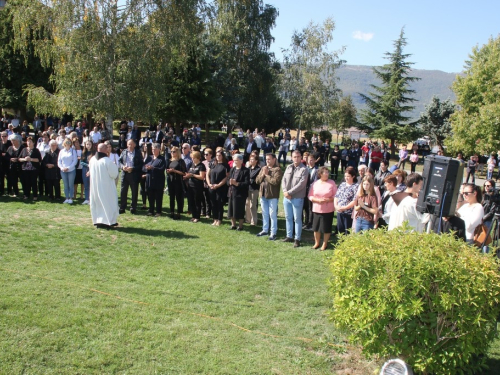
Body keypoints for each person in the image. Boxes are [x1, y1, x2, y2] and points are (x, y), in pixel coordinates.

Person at [89, 143, 119, 229]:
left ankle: (98, 220)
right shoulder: (107, 161)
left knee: (97, 203)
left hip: (95, 187)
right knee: (108, 202)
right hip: (106, 187)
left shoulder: (92, 160)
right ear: (106, 150)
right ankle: (109, 221)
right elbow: (114, 174)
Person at [282, 150, 308, 247]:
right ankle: (289, 236)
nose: (296, 158)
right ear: (292, 157)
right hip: (286, 197)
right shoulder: (288, 167)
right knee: (288, 217)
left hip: (297, 197)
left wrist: (289, 192)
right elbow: (283, 180)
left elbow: (301, 184)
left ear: (301, 157)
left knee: (297, 219)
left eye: (298, 157)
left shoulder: (304, 169)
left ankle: (297, 239)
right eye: (294, 157)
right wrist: (285, 192)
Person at [308, 167, 337, 250]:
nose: (327, 174)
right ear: (320, 174)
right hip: (317, 208)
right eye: (325, 172)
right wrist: (317, 200)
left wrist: (328, 199)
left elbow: (336, 195)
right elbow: (310, 195)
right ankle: (316, 243)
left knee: (326, 227)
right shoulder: (315, 183)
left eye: (328, 172)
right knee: (316, 227)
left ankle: (325, 244)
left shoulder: (332, 183)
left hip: (328, 209)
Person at [255, 153, 283, 240]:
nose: (267, 161)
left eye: (269, 159)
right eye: (266, 159)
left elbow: (275, 182)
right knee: (264, 213)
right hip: (263, 195)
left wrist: (266, 175)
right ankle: (265, 229)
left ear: (274, 159)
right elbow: (257, 180)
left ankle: (273, 232)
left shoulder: (277, 170)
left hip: (272, 196)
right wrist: (263, 173)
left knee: (272, 214)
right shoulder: (264, 169)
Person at [119, 139, 143, 214]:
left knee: (134, 192)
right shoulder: (124, 152)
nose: (130, 146)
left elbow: (141, 164)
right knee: (123, 191)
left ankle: (133, 207)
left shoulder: (138, 153)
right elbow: (119, 161)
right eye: (128, 144)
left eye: (131, 144)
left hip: (134, 174)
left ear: (134, 145)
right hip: (125, 174)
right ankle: (122, 207)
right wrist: (123, 167)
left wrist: (133, 168)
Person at [227, 153, 250, 230]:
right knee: (231, 209)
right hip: (231, 192)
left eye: (236, 160)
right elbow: (228, 180)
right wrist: (230, 182)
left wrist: (237, 183)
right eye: (234, 160)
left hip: (240, 193)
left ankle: (240, 226)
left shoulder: (245, 170)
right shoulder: (232, 169)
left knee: (239, 209)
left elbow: (247, 183)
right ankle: (233, 225)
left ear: (241, 160)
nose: (235, 162)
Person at [206, 150, 229, 226]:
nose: (218, 157)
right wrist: (209, 184)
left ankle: (219, 219)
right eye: (217, 155)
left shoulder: (225, 166)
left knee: (219, 203)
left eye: (220, 155)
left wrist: (218, 185)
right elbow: (207, 174)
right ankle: (214, 219)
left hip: (220, 187)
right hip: (211, 187)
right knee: (213, 203)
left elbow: (226, 177)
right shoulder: (212, 164)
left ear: (222, 156)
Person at [334, 167, 359, 235]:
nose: (346, 178)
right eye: (345, 176)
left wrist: (345, 208)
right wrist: (336, 206)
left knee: (347, 232)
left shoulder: (356, 186)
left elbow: (354, 200)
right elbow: (336, 196)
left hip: (348, 213)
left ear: (353, 176)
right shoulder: (342, 184)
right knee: (340, 231)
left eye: (348, 176)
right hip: (339, 211)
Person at [143, 143, 166, 217]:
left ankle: (158, 211)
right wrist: (146, 168)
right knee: (150, 196)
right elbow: (143, 167)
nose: (153, 150)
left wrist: (152, 168)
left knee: (158, 196)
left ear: (159, 149)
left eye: (155, 149)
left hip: (158, 180)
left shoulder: (161, 159)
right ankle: (151, 210)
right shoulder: (149, 158)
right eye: (152, 149)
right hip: (149, 180)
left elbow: (162, 169)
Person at [183, 151, 206, 222]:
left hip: (197, 186)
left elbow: (202, 177)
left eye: (194, 158)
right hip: (190, 185)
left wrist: (192, 175)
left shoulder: (201, 166)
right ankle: (193, 216)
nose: (192, 159)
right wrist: (187, 176)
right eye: (192, 157)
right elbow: (189, 173)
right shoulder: (192, 165)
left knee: (197, 202)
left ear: (198, 158)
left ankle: (197, 217)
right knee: (191, 201)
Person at [166, 146, 187, 220]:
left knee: (178, 197)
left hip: (178, 181)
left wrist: (174, 171)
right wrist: (168, 171)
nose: (172, 153)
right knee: (171, 197)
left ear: (177, 152)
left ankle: (178, 212)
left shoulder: (181, 161)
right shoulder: (170, 160)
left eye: (174, 151)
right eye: (171, 151)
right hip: (171, 180)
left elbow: (184, 173)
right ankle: (172, 212)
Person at [57, 138, 78, 204]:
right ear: (64, 143)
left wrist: (68, 168)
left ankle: (71, 198)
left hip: (71, 170)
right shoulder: (61, 151)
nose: (68, 143)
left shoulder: (73, 151)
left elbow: (75, 161)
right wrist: (62, 168)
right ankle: (66, 198)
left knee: (70, 184)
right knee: (65, 185)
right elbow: (59, 161)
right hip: (63, 171)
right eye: (66, 142)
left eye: (69, 142)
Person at [303, 154, 319, 231]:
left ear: (315, 160)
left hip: (312, 191)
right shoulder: (305, 168)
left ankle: (311, 223)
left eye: (312, 160)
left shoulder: (317, 170)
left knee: (310, 208)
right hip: (304, 191)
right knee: (305, 207)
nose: (310, 161)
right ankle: (306, 222)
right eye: (309, 160)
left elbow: (316, 181)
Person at [245, 154, 261, 226]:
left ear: (256, 161)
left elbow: (254, 178)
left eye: (252, 159)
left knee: (253, 205)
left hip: (254, 189)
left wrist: (251, 179)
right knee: (247, 204)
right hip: (248, 188)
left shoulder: (258, 169)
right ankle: (248, 219)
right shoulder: (248, 168)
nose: (251, 161)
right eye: (250, 159)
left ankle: (254, 221)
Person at [80, 140, 94, 204]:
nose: (88, 146)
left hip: (92, 169)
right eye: (87, 144)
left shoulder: (94, 152)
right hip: (85, 169)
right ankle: (86, 199)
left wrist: (91, 165)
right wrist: (87, 165)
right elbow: (81, 162)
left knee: (91, 185)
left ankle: (91, 199)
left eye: (90, 144)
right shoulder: (83, 152)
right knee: (86, 185)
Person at [139, 143, 153, 210]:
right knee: (142, 189)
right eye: (144, 146)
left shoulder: (151, 156)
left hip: (148, 174)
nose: (145, 148)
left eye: (146, 146)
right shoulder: (142, 155)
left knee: (148, 189)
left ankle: (151, 204)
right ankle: (144, 204)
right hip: (141, 174)